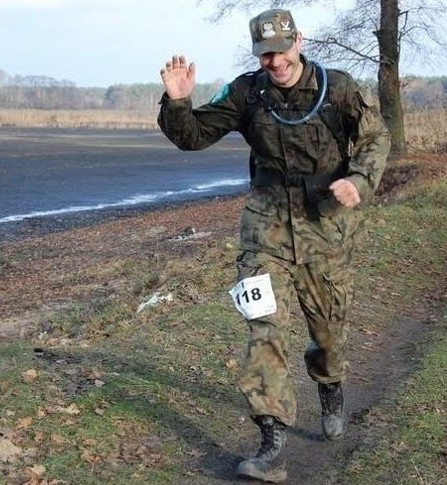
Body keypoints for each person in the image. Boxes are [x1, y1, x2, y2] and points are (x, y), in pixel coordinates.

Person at [158, 8, 390, 483]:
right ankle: (271, 439)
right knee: (263, 325)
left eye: (281, 52)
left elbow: (375, 137)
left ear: (299, 42)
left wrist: (359, 182)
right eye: (265, 55)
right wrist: (178, 102)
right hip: (264, 226)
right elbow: (194, 136)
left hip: (325, 226)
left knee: (328, 332)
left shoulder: (338, 88)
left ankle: (330, 384)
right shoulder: (248, 92)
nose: (275, 63)